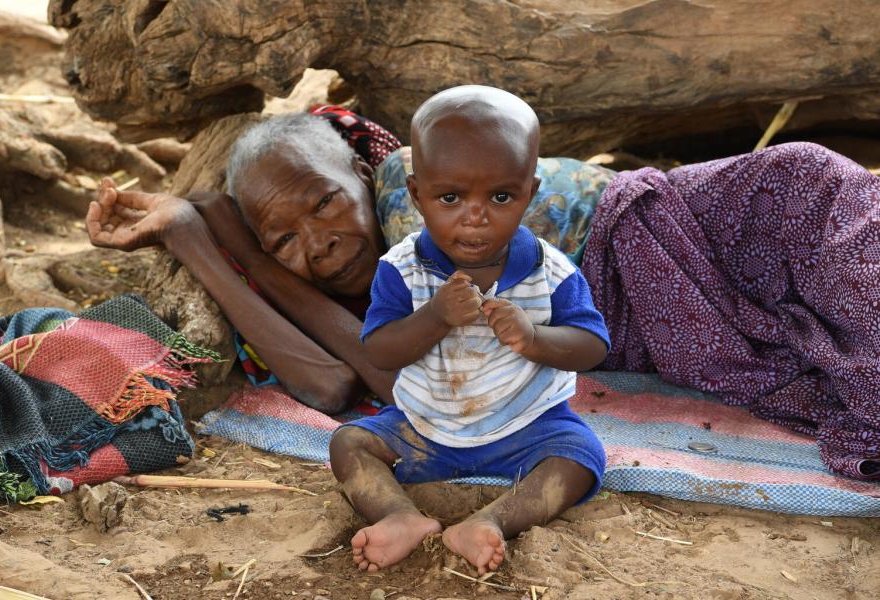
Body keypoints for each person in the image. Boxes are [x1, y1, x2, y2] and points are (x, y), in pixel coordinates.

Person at [87, 93, 878, 481]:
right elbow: (332, 382)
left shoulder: (419, 208)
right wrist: (198, 238)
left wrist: (236, 247)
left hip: (759, 213)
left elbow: (368, 373)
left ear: (370, 174)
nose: (319, 245)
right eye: (283, 240)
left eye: (326, 203)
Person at [328, 86, 610, 573]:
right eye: (450, 197)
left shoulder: (551, 270)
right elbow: (380, 350)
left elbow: (592, 347)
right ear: (417, 194)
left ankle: (492, 520)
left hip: (528, 427)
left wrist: (534, 339)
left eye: (501, 196)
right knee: (348, 444)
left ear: (530, 194)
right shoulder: (402, 268)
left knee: (582, 457)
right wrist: (435, 316)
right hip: (425, 429)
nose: (475, 217)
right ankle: (400, 516)